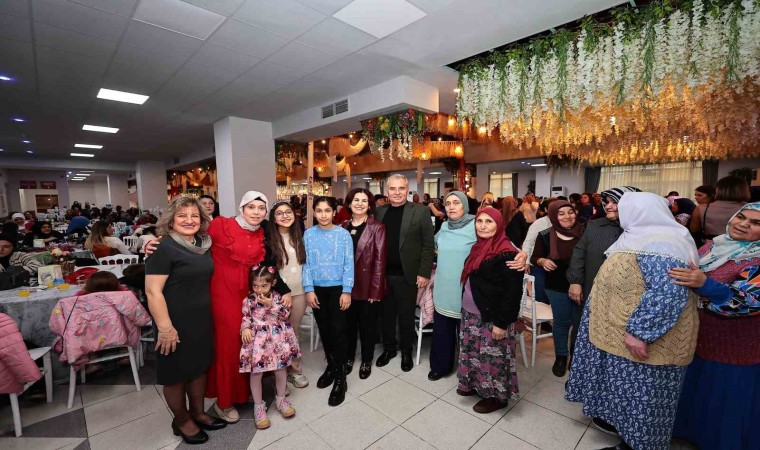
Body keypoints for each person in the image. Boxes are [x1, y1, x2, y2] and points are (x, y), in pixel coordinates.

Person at [566, 192, 699, 450]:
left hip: (646, 339)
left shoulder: (663, 242)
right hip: (621, 332)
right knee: (629, 398)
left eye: (622, 206)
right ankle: (628, 443)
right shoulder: (637, 235)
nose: (614, 209)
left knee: (644, 402)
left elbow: (666, 293)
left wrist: (640, 332)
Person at [668, 202, 759, 450]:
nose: (744, 224)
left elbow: (748, 302)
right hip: (700, 338)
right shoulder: (714, 245)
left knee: (725, 403)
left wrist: (705, 285)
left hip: (736, 347)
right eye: (741, 217)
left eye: (755, 223)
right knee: (698, 394)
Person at [144, 195, 225, 445]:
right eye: (182, 216)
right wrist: (165, 328)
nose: (189, 220)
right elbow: (153, 291)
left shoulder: (203, 243)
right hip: (173, 321)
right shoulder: (162, 248)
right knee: (176, 374)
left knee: (198, 368)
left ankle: (198, 412)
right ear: (170, 220)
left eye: (194, 216)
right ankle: (181, 420)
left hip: (200, 319)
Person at [566, 186, 641, 435]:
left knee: (611, 348)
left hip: (622, 305)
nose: (608, 206)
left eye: (614, 202)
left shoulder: (641, 232)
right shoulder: (595, 226)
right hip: (589, 294)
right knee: (583, 337)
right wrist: (575, 280)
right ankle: (580, 382)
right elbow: (579, 253)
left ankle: (607, 396)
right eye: (607, 201)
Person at [457, 207, 523, 413]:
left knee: (493, 358)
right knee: (475, 353)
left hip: (493, 317)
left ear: (499, 224)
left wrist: (501, 324)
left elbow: (513, 293)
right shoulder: (478, 247)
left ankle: (497, 397)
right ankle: (475, 384)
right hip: (471, 314)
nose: (483, 226)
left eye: (489, 221)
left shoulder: (508, 253)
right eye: (480, 221)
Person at [373, 174, 435, 372]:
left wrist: (424, 273)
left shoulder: (420, 211)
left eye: (401, 188)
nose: (397, 192)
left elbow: (428, 245)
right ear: (387, 191)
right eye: (393, 188)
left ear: (407, 190)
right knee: (386, 315)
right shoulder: (379, 211)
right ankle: (389, 349)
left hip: (408, 275)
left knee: (406, 316)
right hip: (384, 275)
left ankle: (406, 351)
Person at [303, 196, 354, 406]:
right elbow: (305, 264)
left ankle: (341, 378)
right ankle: (331, 366)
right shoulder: (308, 234)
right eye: (319, 211)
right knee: (324, 330)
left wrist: (347, 290)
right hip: (317, 290)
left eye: (327, 210)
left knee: (338, 332)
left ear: (334, 212)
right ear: (314, 213)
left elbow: (349, 263)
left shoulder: (343, 235)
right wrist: (308, 289)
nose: (323, 215)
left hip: (338, 290)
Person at [240, 265, 300, 429]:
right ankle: (259, 407)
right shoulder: (249, 300)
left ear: (272, 283)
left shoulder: (278, 297)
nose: (259, 289)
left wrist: (271, 304)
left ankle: (281, 400)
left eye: (264, 286)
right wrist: (245, 328)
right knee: (256, 373)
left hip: (277, 340)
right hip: (258, 343)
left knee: (280, 370)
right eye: (255, 285)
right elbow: (246, 317)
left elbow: (285, 315)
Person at [531, 201, 585, 377]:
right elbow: (535, 257)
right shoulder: (545, 235)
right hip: (556, 286)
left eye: (570, 212)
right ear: (553, 216)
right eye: (561, 213)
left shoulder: (585, 232)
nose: (567, 216)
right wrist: (543, 261)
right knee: (562, 323)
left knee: (580, 324)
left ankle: (577, 358)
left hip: (584, 285)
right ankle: (561, 357)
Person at [428, 191, 475, 381]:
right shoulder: (445, 226)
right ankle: (440, 366)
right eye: (448, 203)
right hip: (444, 287)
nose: (451, 207)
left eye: (456, 202)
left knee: (468, 333)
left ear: (465, 205)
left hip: (466, 289)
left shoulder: (476, 225)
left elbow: (500, 244)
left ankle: (469, 371)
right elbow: (432, 245)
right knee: (442, 330)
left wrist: (520, 256)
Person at [340, 188, 386, 379]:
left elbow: (380, 262)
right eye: (356, 200)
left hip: (367, 286)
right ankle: (349, 357)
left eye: (364, 201)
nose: (359, 204)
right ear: (349, 204)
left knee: (367, 326)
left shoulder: (377, 228)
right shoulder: (342, 226)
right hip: (345, 286)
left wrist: (375, 291)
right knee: (348, 325)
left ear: (369, 205)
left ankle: (366, 360)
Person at [266, 201, 309, 388]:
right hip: (279, 294)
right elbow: (270, 269)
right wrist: (284, 291)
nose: (285, 216)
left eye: (288, 212)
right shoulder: (268, 240)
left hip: (300, 292)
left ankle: (295, 371)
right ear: (273, 218)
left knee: (294, 331)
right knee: (276, 335)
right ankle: (278, 375)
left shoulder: (301, 237)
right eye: (279, 213)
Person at [690, 175, 750, 242]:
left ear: (718, 190)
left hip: (712, 244)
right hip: (740, 245)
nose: (696, 197)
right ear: (744, 190)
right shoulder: (750, 208)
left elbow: (694, 229)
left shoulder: (701, 208)